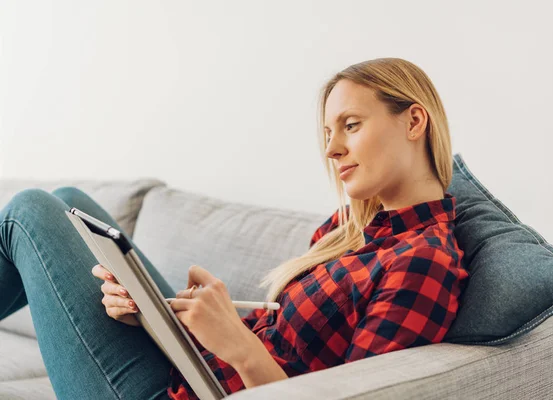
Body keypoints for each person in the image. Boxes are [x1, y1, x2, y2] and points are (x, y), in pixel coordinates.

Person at [0, 57, 469, 400]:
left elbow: (350, 393)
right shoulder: (349, 228)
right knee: (70, 204)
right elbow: (284, 341)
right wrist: (163, 311)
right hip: (193, 367)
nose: (332, 150)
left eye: (350, 125)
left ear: (413, 121)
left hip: (185, 394)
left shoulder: (423, 262)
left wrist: (240, 346)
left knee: (29, 212)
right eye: (329, 133)